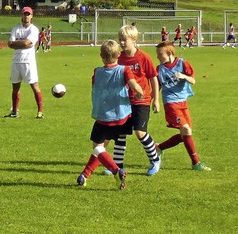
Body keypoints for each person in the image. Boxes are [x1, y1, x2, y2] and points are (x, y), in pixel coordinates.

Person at [76, 40, 143, 189]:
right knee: (101, 149)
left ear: (101, 56)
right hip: (122, 117)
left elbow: (96, 86)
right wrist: (140, 92)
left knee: (98, 148)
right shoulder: (125, 70)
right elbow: (133, 85)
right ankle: (84, 175)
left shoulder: (97, 72)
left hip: (104, 117)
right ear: (119, 54)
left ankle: (116, 170)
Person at [104, 25, 161, 176]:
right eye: (120, 40)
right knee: (120, 133)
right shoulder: (119, 57)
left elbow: (153, 78)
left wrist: (156, 99)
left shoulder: (144, 57)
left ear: (134, 40)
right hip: (123, 101)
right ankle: (117, 166)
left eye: (124, 40)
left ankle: (155, 160)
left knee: (140, 132)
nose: (121, 43)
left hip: (141, 101)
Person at [154, 42, 211, 171]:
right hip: (170, 103)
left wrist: (183, 76)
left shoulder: (183, 63)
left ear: (169, 53)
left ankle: (159, 148)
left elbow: (193, 80)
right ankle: (196, 163)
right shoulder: (159, 69)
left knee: (185, 134)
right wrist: (154, 100)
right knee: (186, 129)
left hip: (183, 103)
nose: (157, 57)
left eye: (159, 54)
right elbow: (157, 86)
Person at [5, 6, 44, 119]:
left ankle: (40, 111)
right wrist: (23, 43)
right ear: (21, 15)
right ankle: (14, 112)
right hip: (16, 61)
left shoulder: (33, 29)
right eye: (24, 14)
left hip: (28, 62)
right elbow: (10, 44)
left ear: (32, 16)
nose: (26, 16)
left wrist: (17, 43)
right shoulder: (15, 29)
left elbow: (27, 42)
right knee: (15, 87)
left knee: (34, 86)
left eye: (28, 14)